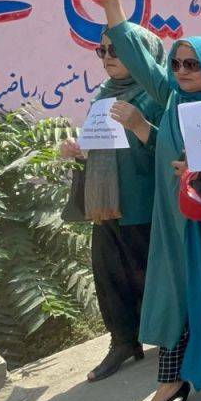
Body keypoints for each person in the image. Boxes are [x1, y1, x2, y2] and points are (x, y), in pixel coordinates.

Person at [95, 0, 201, 401]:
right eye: (176, 63)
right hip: (178, 222)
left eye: (192, 63)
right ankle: (169, 382)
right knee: (174, 292)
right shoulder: (173, 98)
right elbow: (141, 62)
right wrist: (113, 9)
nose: (181, 69)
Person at [58, 28, 164, 382]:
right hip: (106, 203)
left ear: (140, 53)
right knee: (109, 274)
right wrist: (78, 149)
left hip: (146, 201)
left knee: (154, 274)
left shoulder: (159, 93)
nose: (107, 56)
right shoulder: (102, 95)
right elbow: (101, 146)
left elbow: (173, 150)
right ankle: (122, 342)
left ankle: (173, 337)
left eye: (117, 49)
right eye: (101, 50)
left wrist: (140, 125)